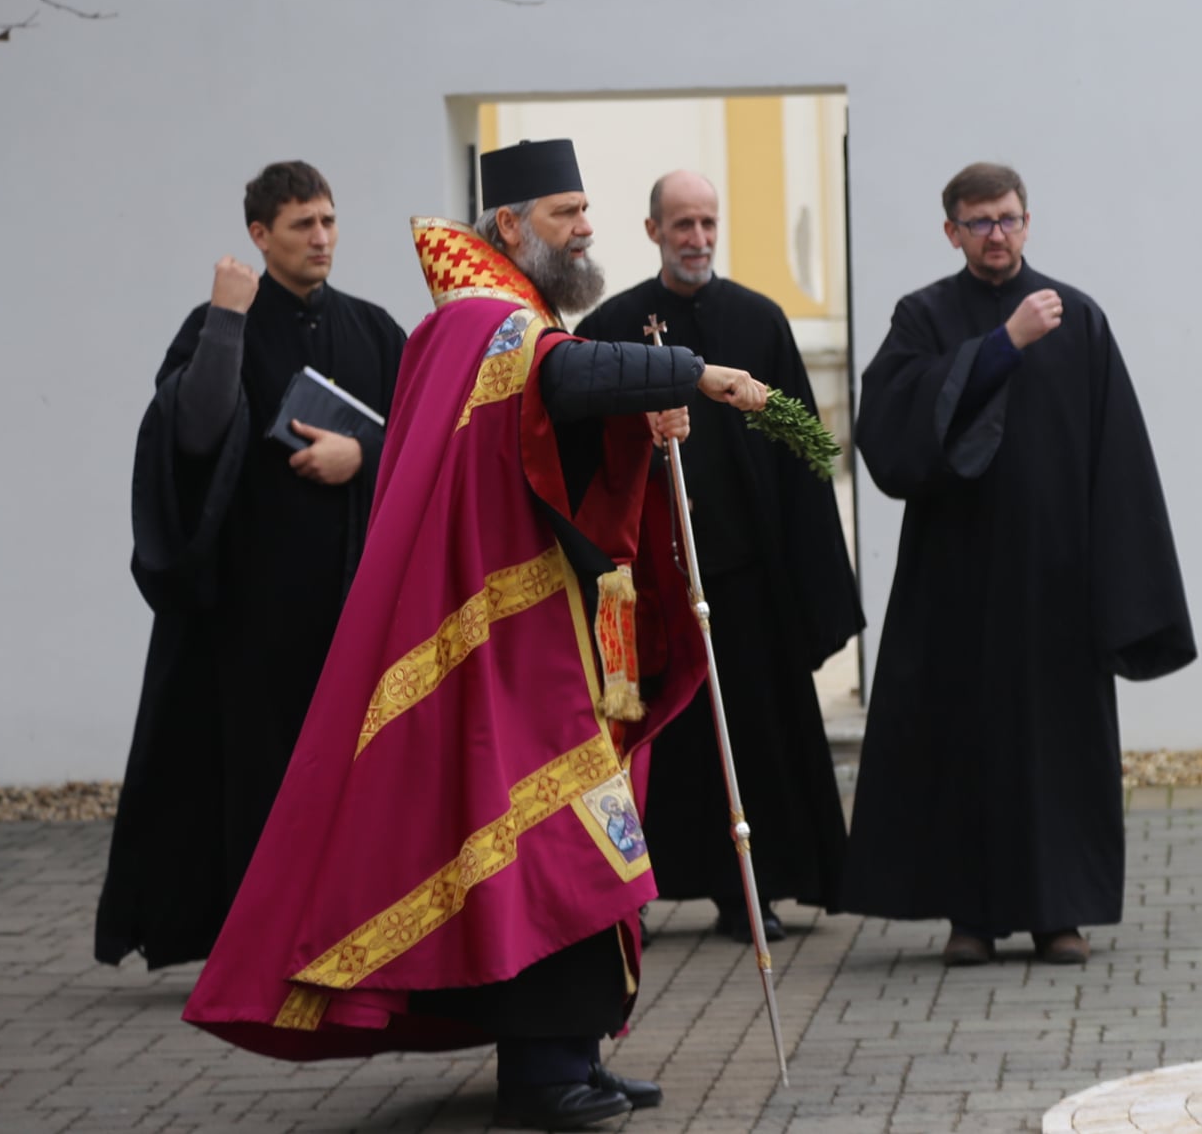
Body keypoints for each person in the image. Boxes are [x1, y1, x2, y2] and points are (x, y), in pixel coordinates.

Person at [183, 140, 771, 1132]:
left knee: (568, 845)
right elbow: (565, 384)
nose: (583, 227)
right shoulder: (480, 322)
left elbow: (553, 431)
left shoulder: (516, 318)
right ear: (507, 227)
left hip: (544, 638)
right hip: (494, 648)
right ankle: (543, 1072)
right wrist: (692, 372)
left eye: (587, 211)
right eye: (562, 212)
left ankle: (570, 1055)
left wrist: (639, 424)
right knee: (548, 848)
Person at [842, 161, 1194, 968]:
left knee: (1056, 744)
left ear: (1028, 222)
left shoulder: (1081, 320)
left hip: (1055, 581)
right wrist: (1002, 345)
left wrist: (1125, 587)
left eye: (1007, 219)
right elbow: (894, 430)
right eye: (978, 222)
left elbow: (1120, 459)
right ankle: (971, 917)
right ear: (951, 231)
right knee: (963, 741)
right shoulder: (924, 317)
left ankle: (1058, 914)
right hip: (955, 579)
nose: (995, 235)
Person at [96, 161, 407, 970]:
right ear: (259, 234)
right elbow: (193, 435)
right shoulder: (217, 323)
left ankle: (351, 931)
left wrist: (360, 453)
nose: (321, 238)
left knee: (353, 777)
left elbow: (426, 440)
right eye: (303, 224)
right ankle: (261, 940)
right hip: (250, 611)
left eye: (330, 221)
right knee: (258, 777)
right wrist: (229, 321)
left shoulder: (374, 328)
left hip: (353, 604)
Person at [578, 170, 863, 945]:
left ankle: (752, 890)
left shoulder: (758, 320)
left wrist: (815, 583)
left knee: (754, 736)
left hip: (744, 578)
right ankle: (634, 887)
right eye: (682, 226)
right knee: (657, 742)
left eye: (708, 223)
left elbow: (799, 451)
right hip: (648, 586)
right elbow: (587, 445)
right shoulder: (611, 322)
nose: (697, 239)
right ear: (652, 231)